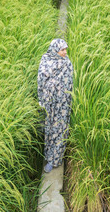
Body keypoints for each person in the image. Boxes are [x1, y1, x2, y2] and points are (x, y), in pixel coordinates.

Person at [37, 38, 73, 173]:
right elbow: (41, 81)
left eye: (65, 49)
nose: (65, 52)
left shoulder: (67, 63)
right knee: (50, 129)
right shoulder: (46, 61)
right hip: (49, 104)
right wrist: (44, 98)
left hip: (62, 105)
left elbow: (69, 83)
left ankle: (54, 160)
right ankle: (48, 155)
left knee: (60, 130)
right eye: (62, 49)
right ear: (55, 50)